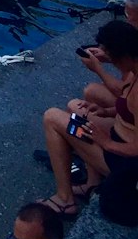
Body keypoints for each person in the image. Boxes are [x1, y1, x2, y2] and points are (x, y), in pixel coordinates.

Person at [39, 18, 138, 217]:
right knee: (78, 112)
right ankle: (91, 184)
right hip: (117, 135)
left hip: (122, 161)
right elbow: (129, 111)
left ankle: (65, 201)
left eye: (111, 57)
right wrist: (107, 111)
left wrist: (107, 143)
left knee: (52, 118)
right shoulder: (134, 68)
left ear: (121, 56)